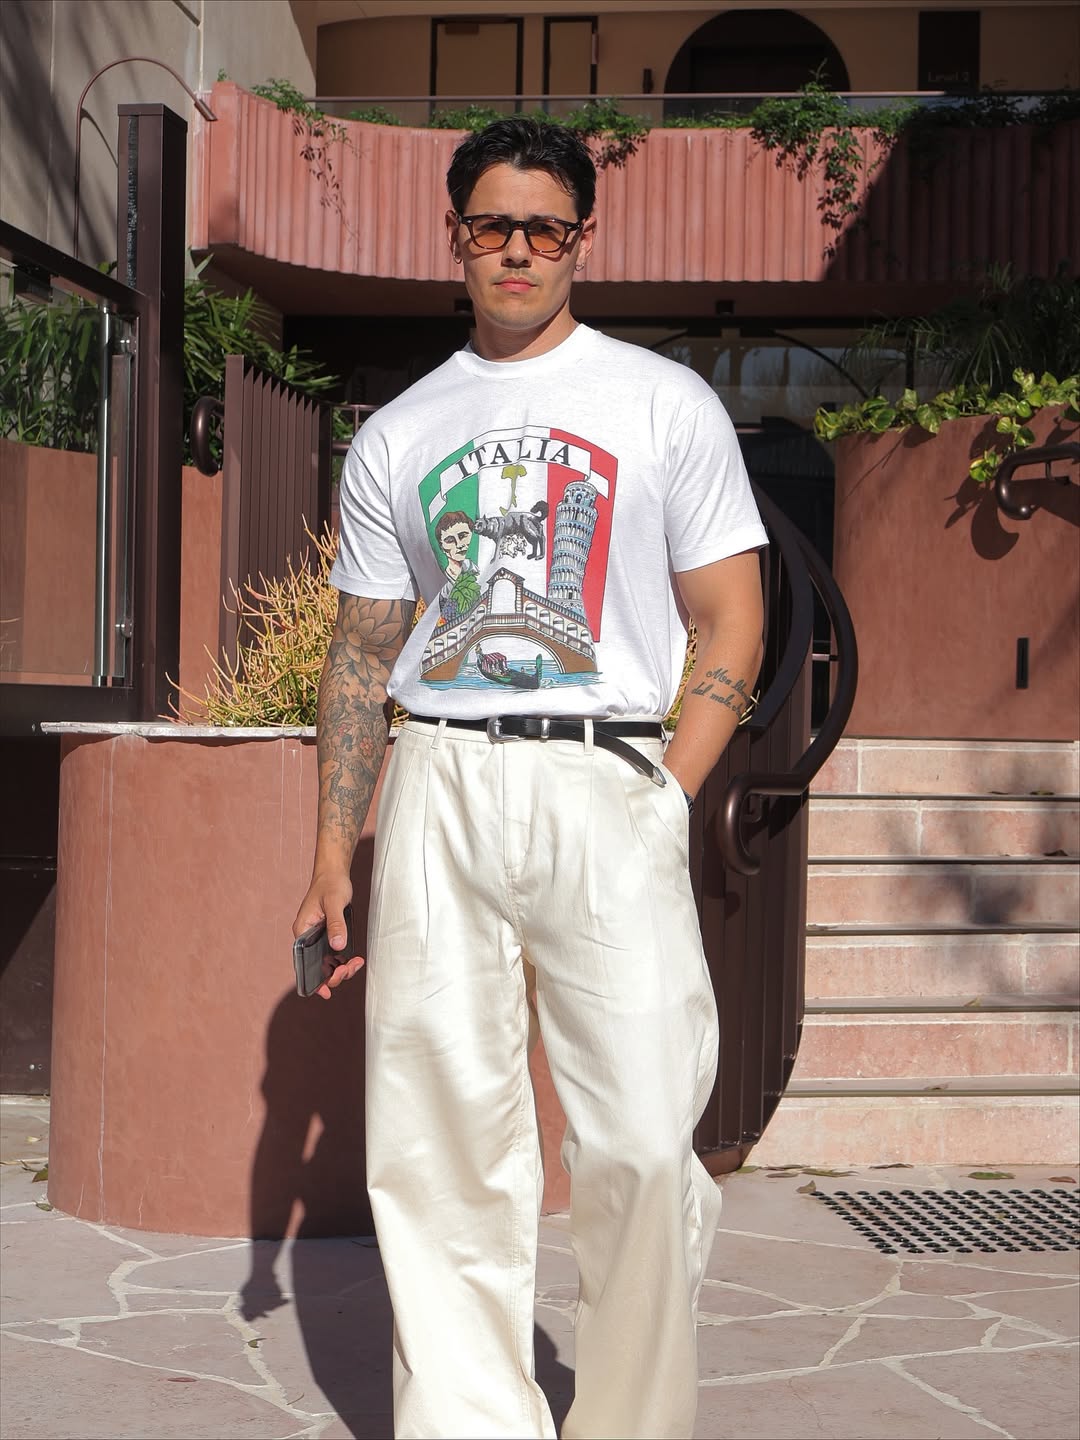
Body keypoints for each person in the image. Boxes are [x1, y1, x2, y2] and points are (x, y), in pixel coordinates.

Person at [292, 117, 767, 1440]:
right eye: (492, 224)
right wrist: (332, 846)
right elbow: (362, 653)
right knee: (437, 1146)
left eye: (543, 227)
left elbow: (734, 617)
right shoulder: (401, 431)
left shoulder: (661, 403)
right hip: (441, 782)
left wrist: (670, 791)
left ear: (580, 242)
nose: (517, 249)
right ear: (456, 237)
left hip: (609, 777)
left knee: (641, 1141)